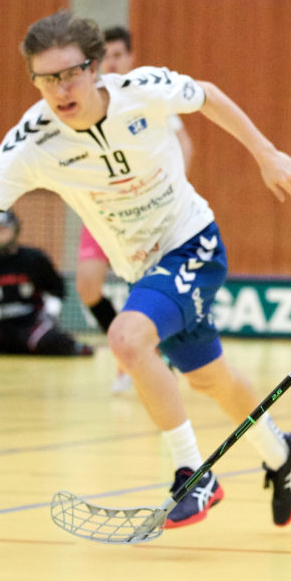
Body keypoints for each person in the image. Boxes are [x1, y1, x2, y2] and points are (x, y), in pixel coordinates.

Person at [0, 11, 291, 530]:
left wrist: (265, 153)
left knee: (128, 339)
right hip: (139, 267)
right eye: (46, 78)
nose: (60, 89)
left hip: (191, 242)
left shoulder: (143, 90)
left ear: (94, 68)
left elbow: (207, 93)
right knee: (210, 379)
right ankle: (281, 452)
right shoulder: (31, 143)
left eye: (69, 74)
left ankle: (193, 474)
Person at [75, 25, 194, 393]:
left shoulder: (144, 95)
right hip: (101, 209)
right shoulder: (86, 100)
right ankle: (129, 352)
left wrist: (169, 190)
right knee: (87, 284)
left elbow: (184, 145)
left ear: (130, 57)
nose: (111, 62)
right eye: (105, 56)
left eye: (118, 55)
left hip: (145, 211)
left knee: (142, 287)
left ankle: (137, 360)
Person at [0, 209, 93, 357]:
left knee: (57, 343)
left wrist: (50, 313)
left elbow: (57, 289)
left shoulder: (35, 258)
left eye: (4, 229)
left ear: (15, 230)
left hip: (31, 325)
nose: (0, 233)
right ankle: (9, 347)